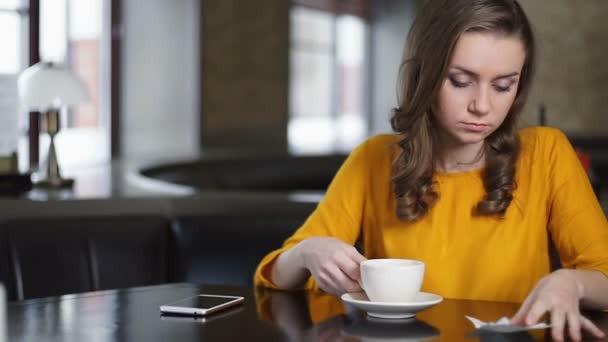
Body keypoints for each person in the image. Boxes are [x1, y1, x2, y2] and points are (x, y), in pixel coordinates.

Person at [254, 0, 608, 340]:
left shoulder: (546, 152)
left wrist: (571, 282)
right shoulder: (372, 159)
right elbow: (275, 276)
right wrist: (308, 251)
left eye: (503, 85)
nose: (482, 105)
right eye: (460, 80)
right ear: (426, 74)